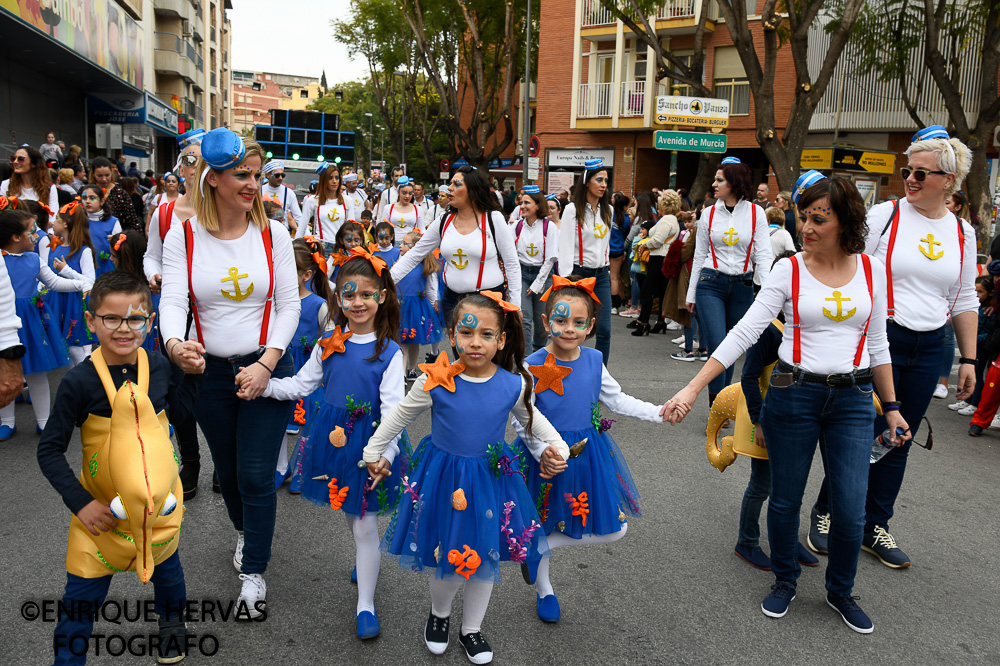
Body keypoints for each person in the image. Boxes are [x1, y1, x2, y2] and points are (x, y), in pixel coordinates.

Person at [664, 172, 909, 634]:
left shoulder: (873, 270)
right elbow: (746, 331)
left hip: (854, 399)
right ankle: (785, 581)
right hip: (793, 394)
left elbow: (878, 344)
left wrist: (892, 407)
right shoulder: (788, 269)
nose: (808, 226)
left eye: (820, 217)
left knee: (851, 507)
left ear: (846, 220)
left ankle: (840, 591)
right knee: (785, 497)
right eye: (803, 216)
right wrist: (694, 387)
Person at [364, 292, 569, 664]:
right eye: (467, 333)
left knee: (485, 557)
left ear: (501, 340)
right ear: (452, 334)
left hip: (491, 481)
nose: (476, 342)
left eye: (487, 335)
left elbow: (537, 425)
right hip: (445, 480)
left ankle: (471, 628)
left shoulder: (513, 384)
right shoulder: (436, 381)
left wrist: (560, 450)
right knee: (450, 557)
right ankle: (439, 614)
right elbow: (398, 417)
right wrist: (372, 452)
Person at [807, 126, 978, 570]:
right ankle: (826, 512)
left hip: (930, 347)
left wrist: (970, 359)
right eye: (908, 170)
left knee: (898, 438)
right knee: (861, 433)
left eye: (923, 173)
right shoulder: (886, 216)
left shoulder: (962, 232)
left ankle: (873, 525)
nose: (912, 179)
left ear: (950, 179)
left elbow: (963, 299)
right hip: (881, 340)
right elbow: (847, 265)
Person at [160, 127, 300, 617]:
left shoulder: (274, 232)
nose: (253, 184)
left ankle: (254, 571)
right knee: (230, 471)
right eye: (242, 175)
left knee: (258, 474)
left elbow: (289, 305)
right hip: (209, 375)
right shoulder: (182, 235)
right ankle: (246, 534)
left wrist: (266, 363)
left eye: (258, 176)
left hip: (266, 366)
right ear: (213, 178)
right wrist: (175, 344)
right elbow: (174, 298)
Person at [37, 271, 189, 665]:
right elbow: (49, 451)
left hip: (157, 507)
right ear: (91, 321)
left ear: (150, 322)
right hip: (100, 513)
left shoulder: (160, 366)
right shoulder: (78, 381)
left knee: (168, 573)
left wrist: (196, 376)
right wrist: (81, 503)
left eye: (135, 319)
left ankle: (172, 625)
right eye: (111, 318)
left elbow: (183, 416)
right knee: (80, 599)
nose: (124, 328)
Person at [265, 249, 405, 640]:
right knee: (349, 509)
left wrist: (385, 454)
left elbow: (395, 411)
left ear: (381, 297)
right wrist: (265, 384)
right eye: (348, 295)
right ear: (338, 299)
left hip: (370, 447)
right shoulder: (328, 342)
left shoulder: (388, 352)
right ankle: (365, 563)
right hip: (332, 442)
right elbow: (302, 385)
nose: (356, 302)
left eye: (365, 294)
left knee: (364, 525)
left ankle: (366, 603)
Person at [516, 277, 666, 622]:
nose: (569, 329)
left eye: (578, 322)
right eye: (561, 320)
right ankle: (545, 589)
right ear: (545, 322)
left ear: (590, 326)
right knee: (546, 520)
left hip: (585, 455)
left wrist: (659, 413)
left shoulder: (594, 360)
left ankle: (537, 550)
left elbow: (619, 400)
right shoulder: (529, 365)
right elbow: (521, 418)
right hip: (547, 458)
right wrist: (543, 452)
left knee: (614, 528)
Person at [731, 252, 819, 571]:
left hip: (800, 418)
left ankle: (787, 540)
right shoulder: (769, 329)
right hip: (769, 418)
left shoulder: (807, 324)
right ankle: (747, 541)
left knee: (790, 486)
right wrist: (760, 421)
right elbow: (750, 376)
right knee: (762, 485)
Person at [686, 157, 773, 406]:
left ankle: (724, 403)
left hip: (743, 285)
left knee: (733, 347)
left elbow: (764, 255)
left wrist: (766, 292)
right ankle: (717, 406)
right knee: (716, 344)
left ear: (734, 183)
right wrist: (691, 294)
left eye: (719, 180)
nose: (714, 184)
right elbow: (700, 255)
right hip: (710, 282)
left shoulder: (756, 213)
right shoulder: (709, 213)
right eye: (715, 179)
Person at [0, 204, 91, 440]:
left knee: (36, 372)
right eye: (33, 230)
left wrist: (82, 284)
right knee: (4, 372)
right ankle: (7, 422)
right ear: (15, 237)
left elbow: (55, 283)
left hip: (31, 322)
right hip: (5, 319)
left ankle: (44, 421)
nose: (38, 234)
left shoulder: (34, 260)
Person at [389, 165, 521, 324]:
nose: (449, 188)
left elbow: (511, 263)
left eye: (456, 184)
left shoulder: (493, 219)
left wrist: (515, 305)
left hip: (488, 300)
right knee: (459, 349)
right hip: (452, 301)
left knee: (485, 348)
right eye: (450, 183)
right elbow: (414, 255)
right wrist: (385, 281)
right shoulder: (444, 221)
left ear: (473, 190)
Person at [557, 159, 614, 364]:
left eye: (606, 181)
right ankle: (571, 370)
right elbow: (564, 246)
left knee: (605, 330)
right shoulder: (573, 209)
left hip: (601, 275)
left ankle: (600, 377)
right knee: (575, 329)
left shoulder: (608, 209)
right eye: (599, 180)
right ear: (587, 182)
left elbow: (605, 245)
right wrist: (566, 281)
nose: (603, 185)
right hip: (579, 274)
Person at [280, 238, 334, 450]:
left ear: (306, 275)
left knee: (310, 409)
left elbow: (330, 338)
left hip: (306, 360)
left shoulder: (318, 304)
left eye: (290, 270)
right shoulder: (275, 301)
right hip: (281, 359)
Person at [933, 189, 973, 399]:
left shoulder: (963, 232)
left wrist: (969, 359)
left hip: (945, 305)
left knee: (947, 339)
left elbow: (965, 290)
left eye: (949, 202)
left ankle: (944, 382)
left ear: (957, 207)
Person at [49, 201, 97, 366]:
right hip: (55, 301)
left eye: (56, 219)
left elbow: (91, 282)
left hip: (74, 303)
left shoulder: (84, 251)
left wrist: (66, 270)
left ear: (65, 223)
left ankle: (84, 377)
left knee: (74, 345)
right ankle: (75, 381)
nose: (52, 223)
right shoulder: (54, 247)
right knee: (62, 346)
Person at [515, 186, 559, 353]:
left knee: (542, 321)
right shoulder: (517, 226)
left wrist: (537, 284)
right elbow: (511, 255)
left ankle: (539, 350)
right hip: (522, 274)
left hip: (544, 275)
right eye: (521, 202)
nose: (522, 206)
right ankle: (525, 361)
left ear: (538, 206)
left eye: (527, 202)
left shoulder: (550, 227)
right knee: (524, 319)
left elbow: (550, 259)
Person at [633, 191, 681, 336]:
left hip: (659, 257)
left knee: (647, 290)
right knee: (661, 291)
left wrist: (644, 244)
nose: (658, 207)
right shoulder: (673, 220)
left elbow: (658, 240)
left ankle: (643, 322)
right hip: (665, 258)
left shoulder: (666, 220)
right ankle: (660, 322)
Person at [397, 231, 442, 378]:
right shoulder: (398, 262)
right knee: (402, 340)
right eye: (402, 242)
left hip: (416, 307)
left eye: (405, 243)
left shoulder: (424, 265)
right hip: (400, 306)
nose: (401, 245)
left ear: (416, 247)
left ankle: (411, 368)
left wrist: (432, 304)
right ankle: (401, 372)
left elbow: (429, 288)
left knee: (413, 339)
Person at [667, 212, 707, 361]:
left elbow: (685, 252)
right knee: (701, 313)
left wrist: (675, 251)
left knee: (689, 310)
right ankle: (703, 349)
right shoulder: (715, 229)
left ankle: (689, 349)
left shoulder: (695, 232)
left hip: (691, 272)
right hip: (708, 272)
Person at [961, 276, 997, 426]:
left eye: (981, 292)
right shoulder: (978, 307)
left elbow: (988, 332)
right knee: (973, 372)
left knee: (979, 374)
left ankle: (974, 404)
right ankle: (967, 399)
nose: (977, 294)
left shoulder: (990, 310)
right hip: (976, 344)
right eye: (975, 291)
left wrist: (973, 340)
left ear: (990, 293)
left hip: (982, 346)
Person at [298, 161, 356, 248]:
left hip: (341, 247)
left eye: (337, 178)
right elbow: (302, 225)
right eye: (330, 178)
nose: (334, 181)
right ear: (324, 180)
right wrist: (295, 247)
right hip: (321, 246)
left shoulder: (347, 200)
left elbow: (351, 228)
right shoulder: (312, 201)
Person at [1, 145, 59, 224]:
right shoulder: (7, 184)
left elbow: (52, 219)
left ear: (33, 164)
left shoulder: (49, 187)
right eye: (13, 158)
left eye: (21, 159)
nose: (15, 161)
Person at [89, 157, 141, 232]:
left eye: (107, 175)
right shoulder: (86, 191)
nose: (104, 179)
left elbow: (132, 221)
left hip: (117, 237)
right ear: (93, 174)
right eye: (99, 176)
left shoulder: (121, 194)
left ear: (112, 173)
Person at [79, 183, 121, 278]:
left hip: (106, 270)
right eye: (84, 198)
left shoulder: (113, 222)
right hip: (83, 269)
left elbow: (120, 249)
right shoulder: (78, 221)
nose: (87, 201)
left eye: (92, 198)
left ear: (102, 201)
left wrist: (115, 241)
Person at [754, 206, 796, 289]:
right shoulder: (785, 234)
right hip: (778, 276)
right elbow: (792, 254)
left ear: (768, 220)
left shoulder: (759, 233)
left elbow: (752, 255)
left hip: (759, 277)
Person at [261, 160, 302, 234]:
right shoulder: (259, 191)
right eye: (277, 175)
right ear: (268, 175)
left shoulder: (289, 193)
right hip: (262, 232)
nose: (280, 178)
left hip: (282, 233)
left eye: (282, 175)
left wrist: (306, 236)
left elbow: (299, 216)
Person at [382, 176, 424, 245]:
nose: (407, 196)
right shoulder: (388, 208)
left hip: (410, 245)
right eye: (404, 193)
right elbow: (383, 228)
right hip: (391, 244)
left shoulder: (418, 209)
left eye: (410, 193)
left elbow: (422, 230)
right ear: (398, 192)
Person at [609, 191, 629, 314]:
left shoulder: (609, 216)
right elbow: (626, 235)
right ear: (625, 207)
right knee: (615, 277)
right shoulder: (626, 220)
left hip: (606, 249)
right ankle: (615, 306)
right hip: (618, 250)